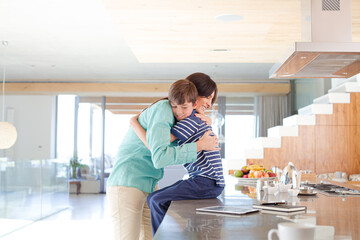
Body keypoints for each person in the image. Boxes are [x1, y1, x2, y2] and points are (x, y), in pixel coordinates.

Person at [106, 73, 219, 240]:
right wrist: (199, 145)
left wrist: (202, 122)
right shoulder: (164, 109)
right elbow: (159, 157)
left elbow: (161, 145)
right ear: (195, 93)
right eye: (208, 97)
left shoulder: (182, 116)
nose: (209, 103)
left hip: (149, 182)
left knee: (152, 236)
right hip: (127, 182)